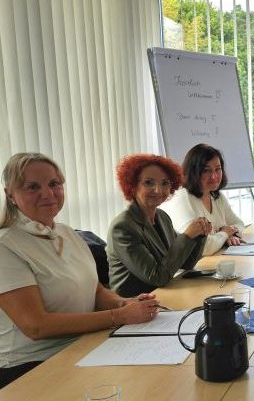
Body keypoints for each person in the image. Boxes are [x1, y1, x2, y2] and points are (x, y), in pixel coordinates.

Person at [0, 153, 159, 388]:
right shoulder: (6, 246)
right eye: (32, 187)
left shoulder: (67, 234)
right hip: (31, 367)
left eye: (54, 184)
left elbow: (94, 290)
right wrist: (120, 316)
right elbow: (36, 326)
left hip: (84, 347)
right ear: (10, 195)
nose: (48, 194)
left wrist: (123, 303)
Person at [107, 154, 211, 297]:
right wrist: (187, 236)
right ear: (132, 185)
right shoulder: (122, 227)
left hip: (163, 295)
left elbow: (185, 263)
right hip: (135, 303)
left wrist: (199, 234)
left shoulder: (162, 217)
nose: (158, 190)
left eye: (165, 183)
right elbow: (157, 277)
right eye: (148, 182)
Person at [161, 144, 246, 256]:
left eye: (218, 169)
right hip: (185, 265)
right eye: (206, 170)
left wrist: (230, 234)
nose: (214, 176)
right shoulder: (181, 197)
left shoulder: (216, 196)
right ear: (193, 172)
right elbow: (203, 247)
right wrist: (225, 233)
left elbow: (239, 223)